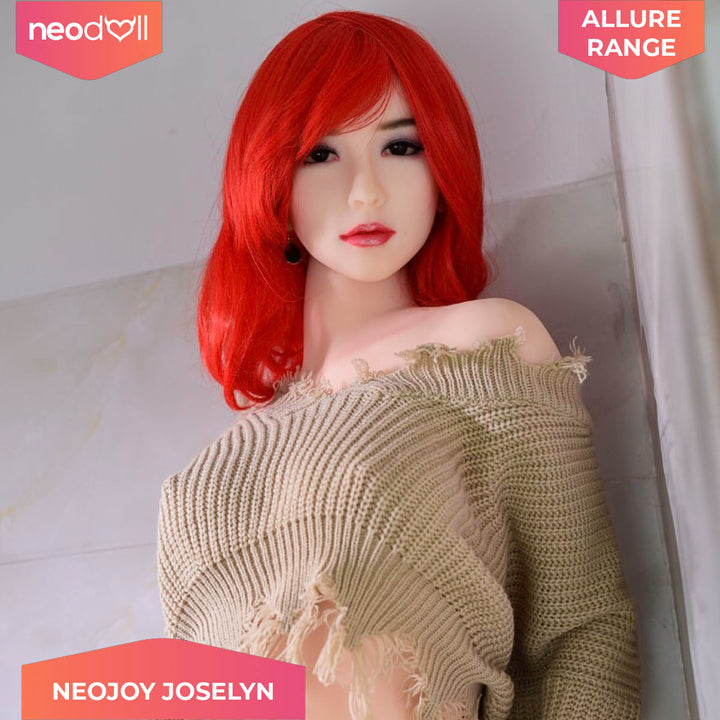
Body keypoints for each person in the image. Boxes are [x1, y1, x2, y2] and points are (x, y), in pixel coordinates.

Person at [157, 10, 642, 720]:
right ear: (271, 181)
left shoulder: (483, 347)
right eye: (321, 154)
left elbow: (582, 628)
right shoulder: (209, 471)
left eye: (401, 146)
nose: (366, 191)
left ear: (442, 165)